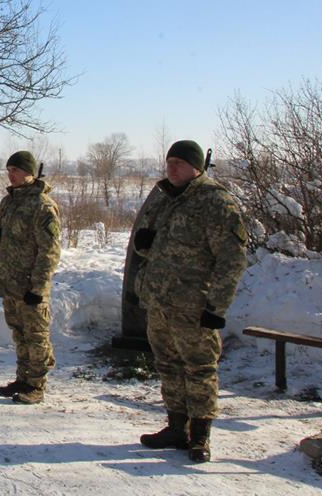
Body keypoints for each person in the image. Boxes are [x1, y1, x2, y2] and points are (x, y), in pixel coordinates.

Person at [131, 140, 248, 463]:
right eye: (169, 162)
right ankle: (175, 427)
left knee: (199, 369)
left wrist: (216, 308)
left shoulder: (215, 203)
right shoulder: (165, 200)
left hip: (194, 307)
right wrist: (145, 245)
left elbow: (232, 259)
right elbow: (153, 249)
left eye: (179, 163)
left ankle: (200, 437)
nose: (172, 168)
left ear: (197, 167)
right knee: (167, 366)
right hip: (161, 303)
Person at [0, 151, 61, 404]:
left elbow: (49, 251)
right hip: (10, 280)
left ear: (30, 173)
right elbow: (9, 239)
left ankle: (36, 385)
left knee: (36, 335)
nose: (11, 174)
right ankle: (22, 378)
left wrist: (38, 287)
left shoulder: (42, 205)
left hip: (30, 283)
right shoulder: (9, 202)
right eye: (8, 170)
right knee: (19, 333)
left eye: (15, 170)